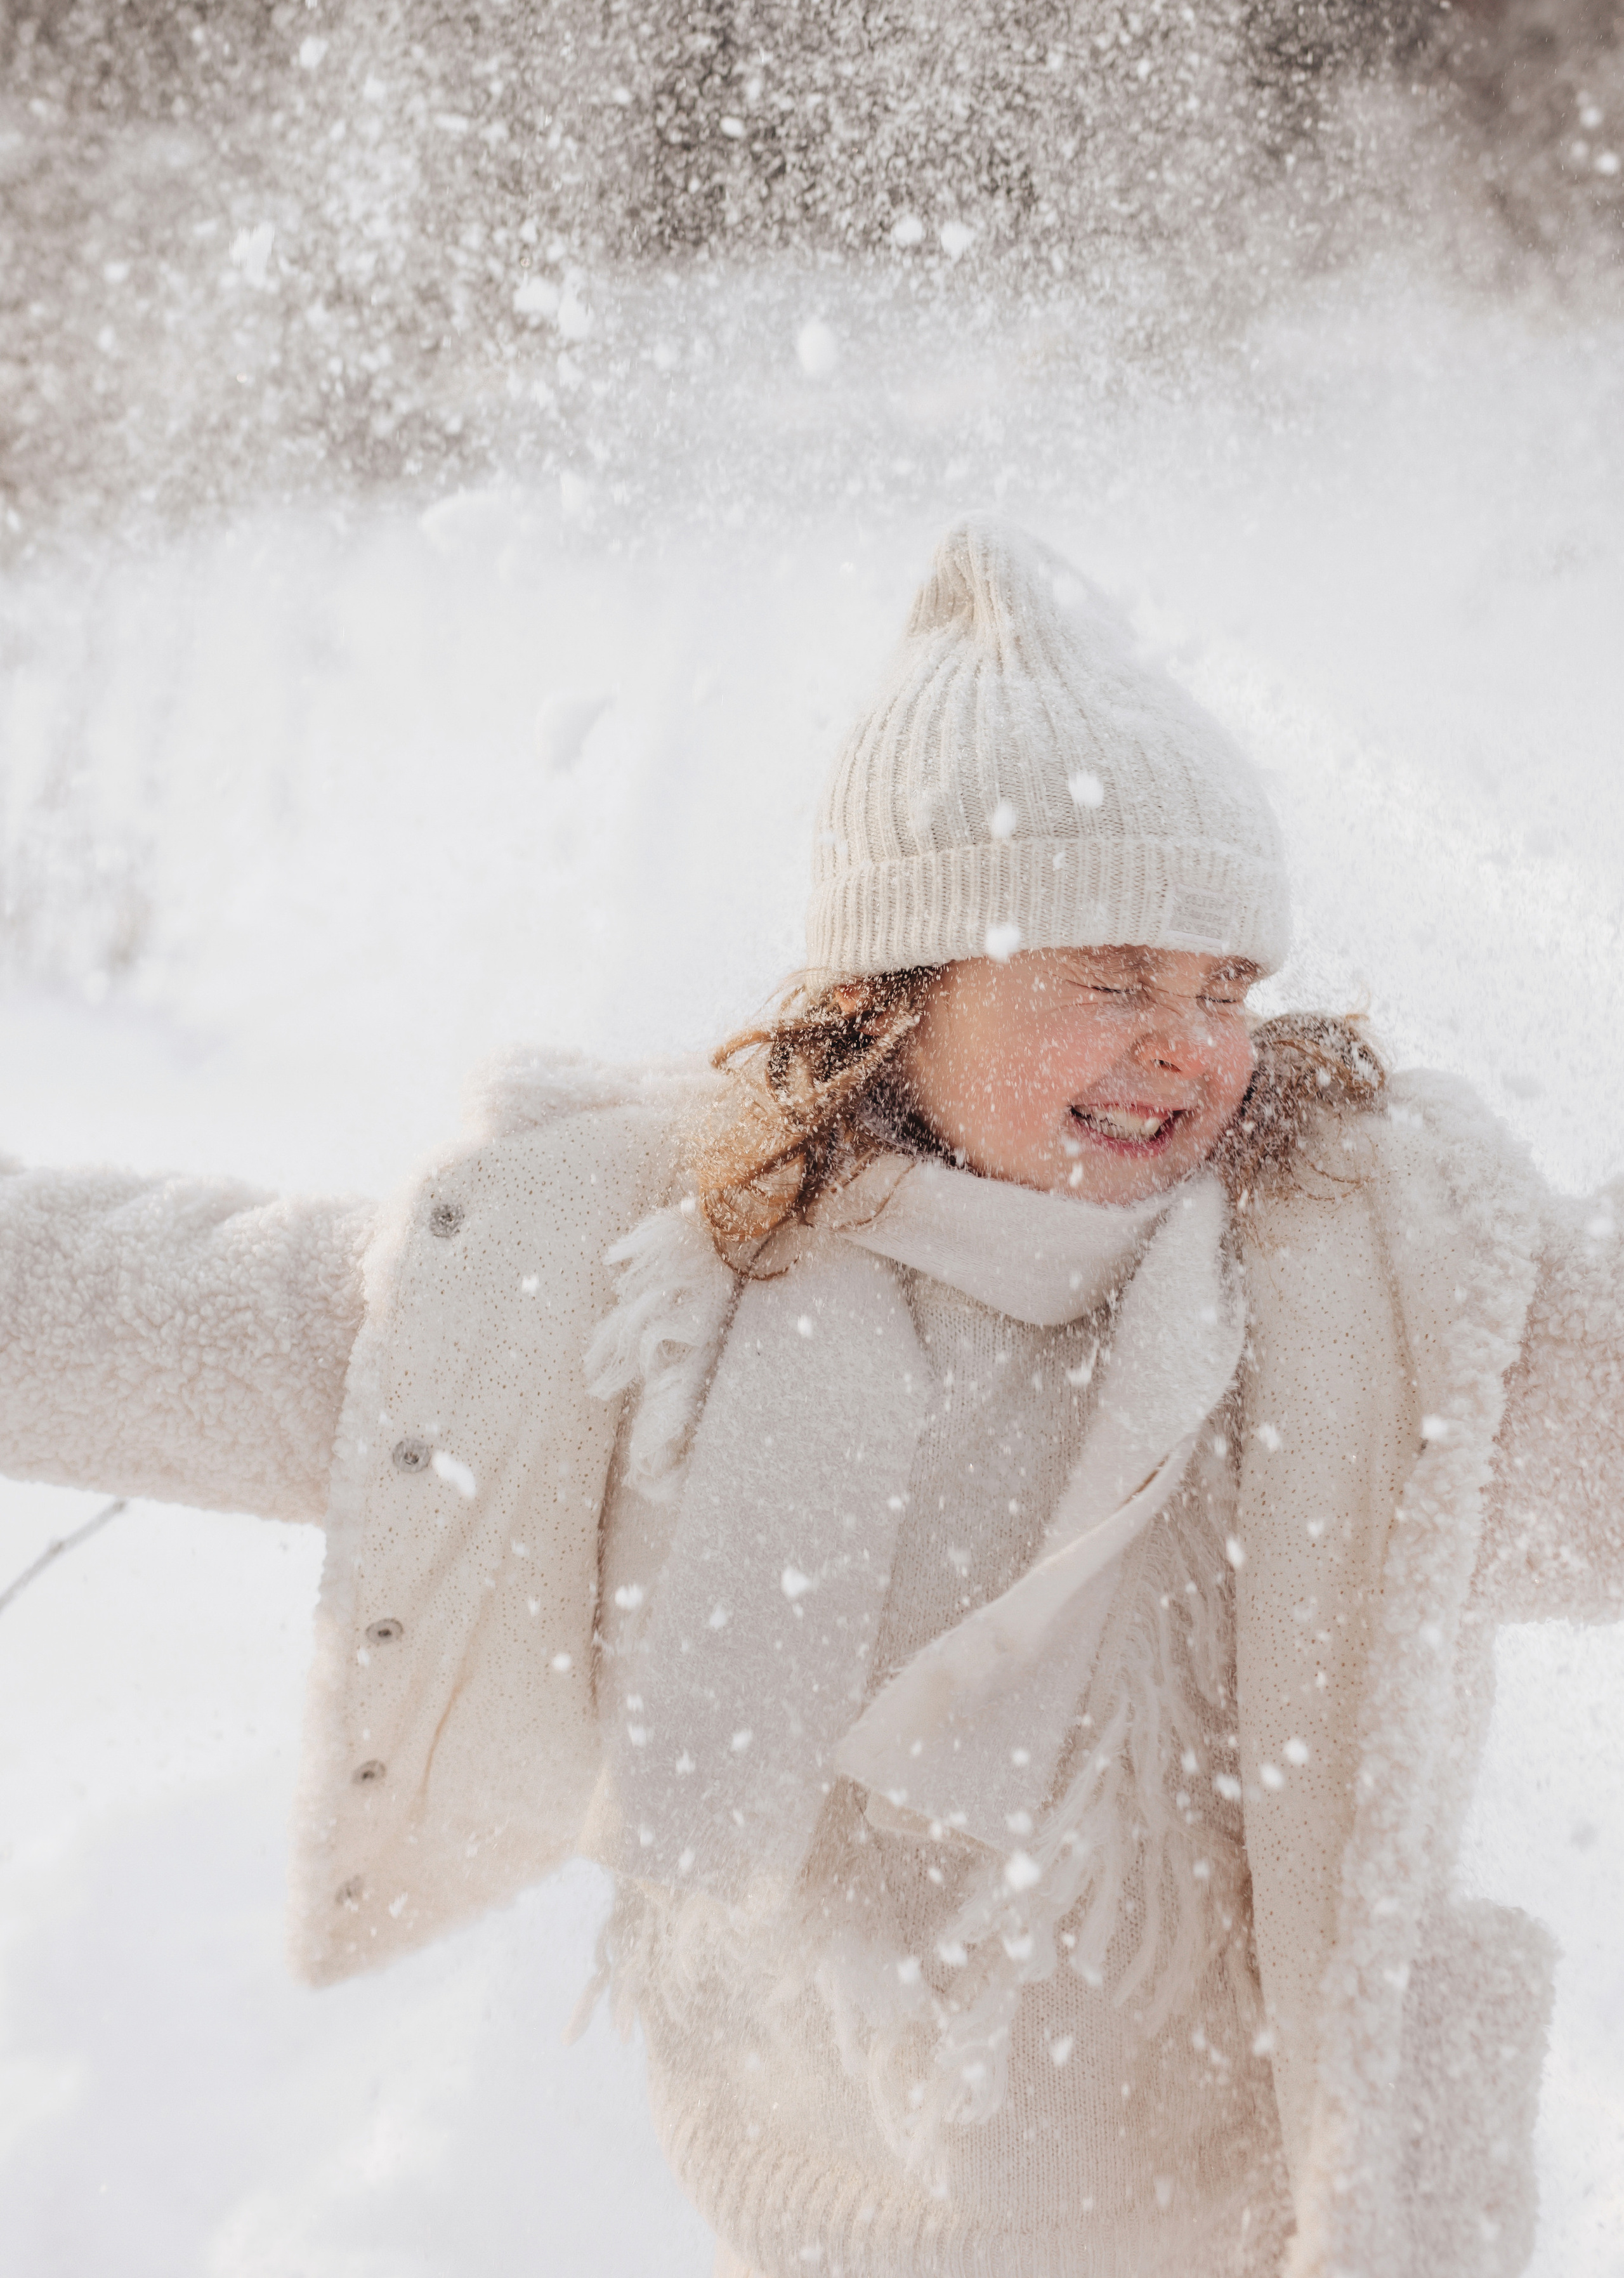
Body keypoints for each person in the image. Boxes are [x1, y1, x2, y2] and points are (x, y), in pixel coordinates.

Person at [3, 516, 1620, 2278]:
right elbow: (184, 1305)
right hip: (831, 2230)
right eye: (1107, 980)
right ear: (889, 1000)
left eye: (1225, 989)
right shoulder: (659, 1298)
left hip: (1268, 2222)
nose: (1189, 1045)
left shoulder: (1367, 1316)